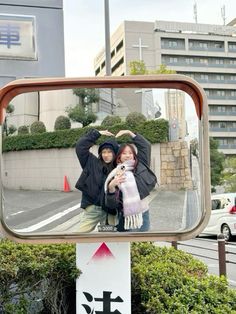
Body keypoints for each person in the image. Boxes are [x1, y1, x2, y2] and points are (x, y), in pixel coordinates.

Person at [104, 130, 157, 232]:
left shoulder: (140, 164)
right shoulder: (115, 173)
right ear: (119, 157)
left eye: (130, 153)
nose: (128, 155)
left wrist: (130, 133)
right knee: (128, 245)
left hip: (143, 213)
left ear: (134, 155)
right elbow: (111, 205)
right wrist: (111, 187)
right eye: (124, 153)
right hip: (125, 217)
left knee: (143, 244)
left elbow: (146, 146)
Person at [75, 128, 119, 232]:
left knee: (108, 241)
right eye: (104, 152)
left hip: (109, 212)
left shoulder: (118, 168)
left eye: (109, 152)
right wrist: (97, 133)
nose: (106, 155)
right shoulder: (91, 162)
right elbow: (80, 147)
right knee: (78, 237)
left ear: (115, 153)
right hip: (92, 209)